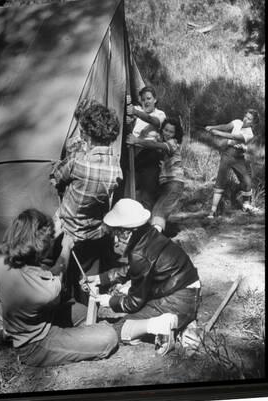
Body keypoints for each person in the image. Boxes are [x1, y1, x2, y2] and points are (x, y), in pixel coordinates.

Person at [0, 209, 118, 367]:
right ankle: (29, 346)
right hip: (36, 343)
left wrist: (58, 225)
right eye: (47, 241)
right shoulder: (41, 291)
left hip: (41, 318)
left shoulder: (8, 257)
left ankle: (11, 334)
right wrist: (65, 248)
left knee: (81, 311)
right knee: (108, 337)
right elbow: (58, 271)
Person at [87, 198, 201, 356]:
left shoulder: (140, 254)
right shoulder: (149, 234)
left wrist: (109, 301)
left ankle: (160, 325)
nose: (115, 239)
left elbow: (133, 302)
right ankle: (183, 322)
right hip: (187, 291)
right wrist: (103, 278)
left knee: (117, 330)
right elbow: (136, 268)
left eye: (117, 233)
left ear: (127, 231)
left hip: (177, 299)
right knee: (137, 316)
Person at [50, 102, 122, 302]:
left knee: (59, 279)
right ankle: (88, 316)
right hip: (94, 234)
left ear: (88, 136)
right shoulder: (117, 169)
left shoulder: (78, 163)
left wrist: (73, 154)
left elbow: (56, 176)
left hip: (67, 231)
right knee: (87, 282)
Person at [128, 117, 185, 232]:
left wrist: (137, 140)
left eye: (171, 132)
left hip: (174, 183)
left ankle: (153, 242)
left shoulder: (173, 143)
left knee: (159, 213)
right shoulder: (164, 144)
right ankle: (152, 240)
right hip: (166, 184)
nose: (167, 134)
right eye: (166, 130)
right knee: (156, 211)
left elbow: (158, 146)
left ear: (175, 134)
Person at [205, 109, 260, 218]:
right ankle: (212, 211)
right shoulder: (237, 122)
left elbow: (234, 137)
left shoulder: (250, 134)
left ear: (253, 123)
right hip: (228, 153)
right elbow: (225, 126)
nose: (246, 119)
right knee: (220, 180)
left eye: (249, 119)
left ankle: (246, 205)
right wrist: (213, 127)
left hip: (239, 157)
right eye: (246, 116)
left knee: (247, 181)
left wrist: (217, 133)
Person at [126, 86, 166, 211]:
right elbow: (127, 112)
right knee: (129, 194)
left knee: (147, 196)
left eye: (149, 98)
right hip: (134, 156)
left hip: (150, 156)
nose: (146, 102)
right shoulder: (137, 109)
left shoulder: (159, 114)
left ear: (155, 99)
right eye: (143, 99)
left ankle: (148, 227)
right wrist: (127, 104)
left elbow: (154, 121)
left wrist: (136, 113)